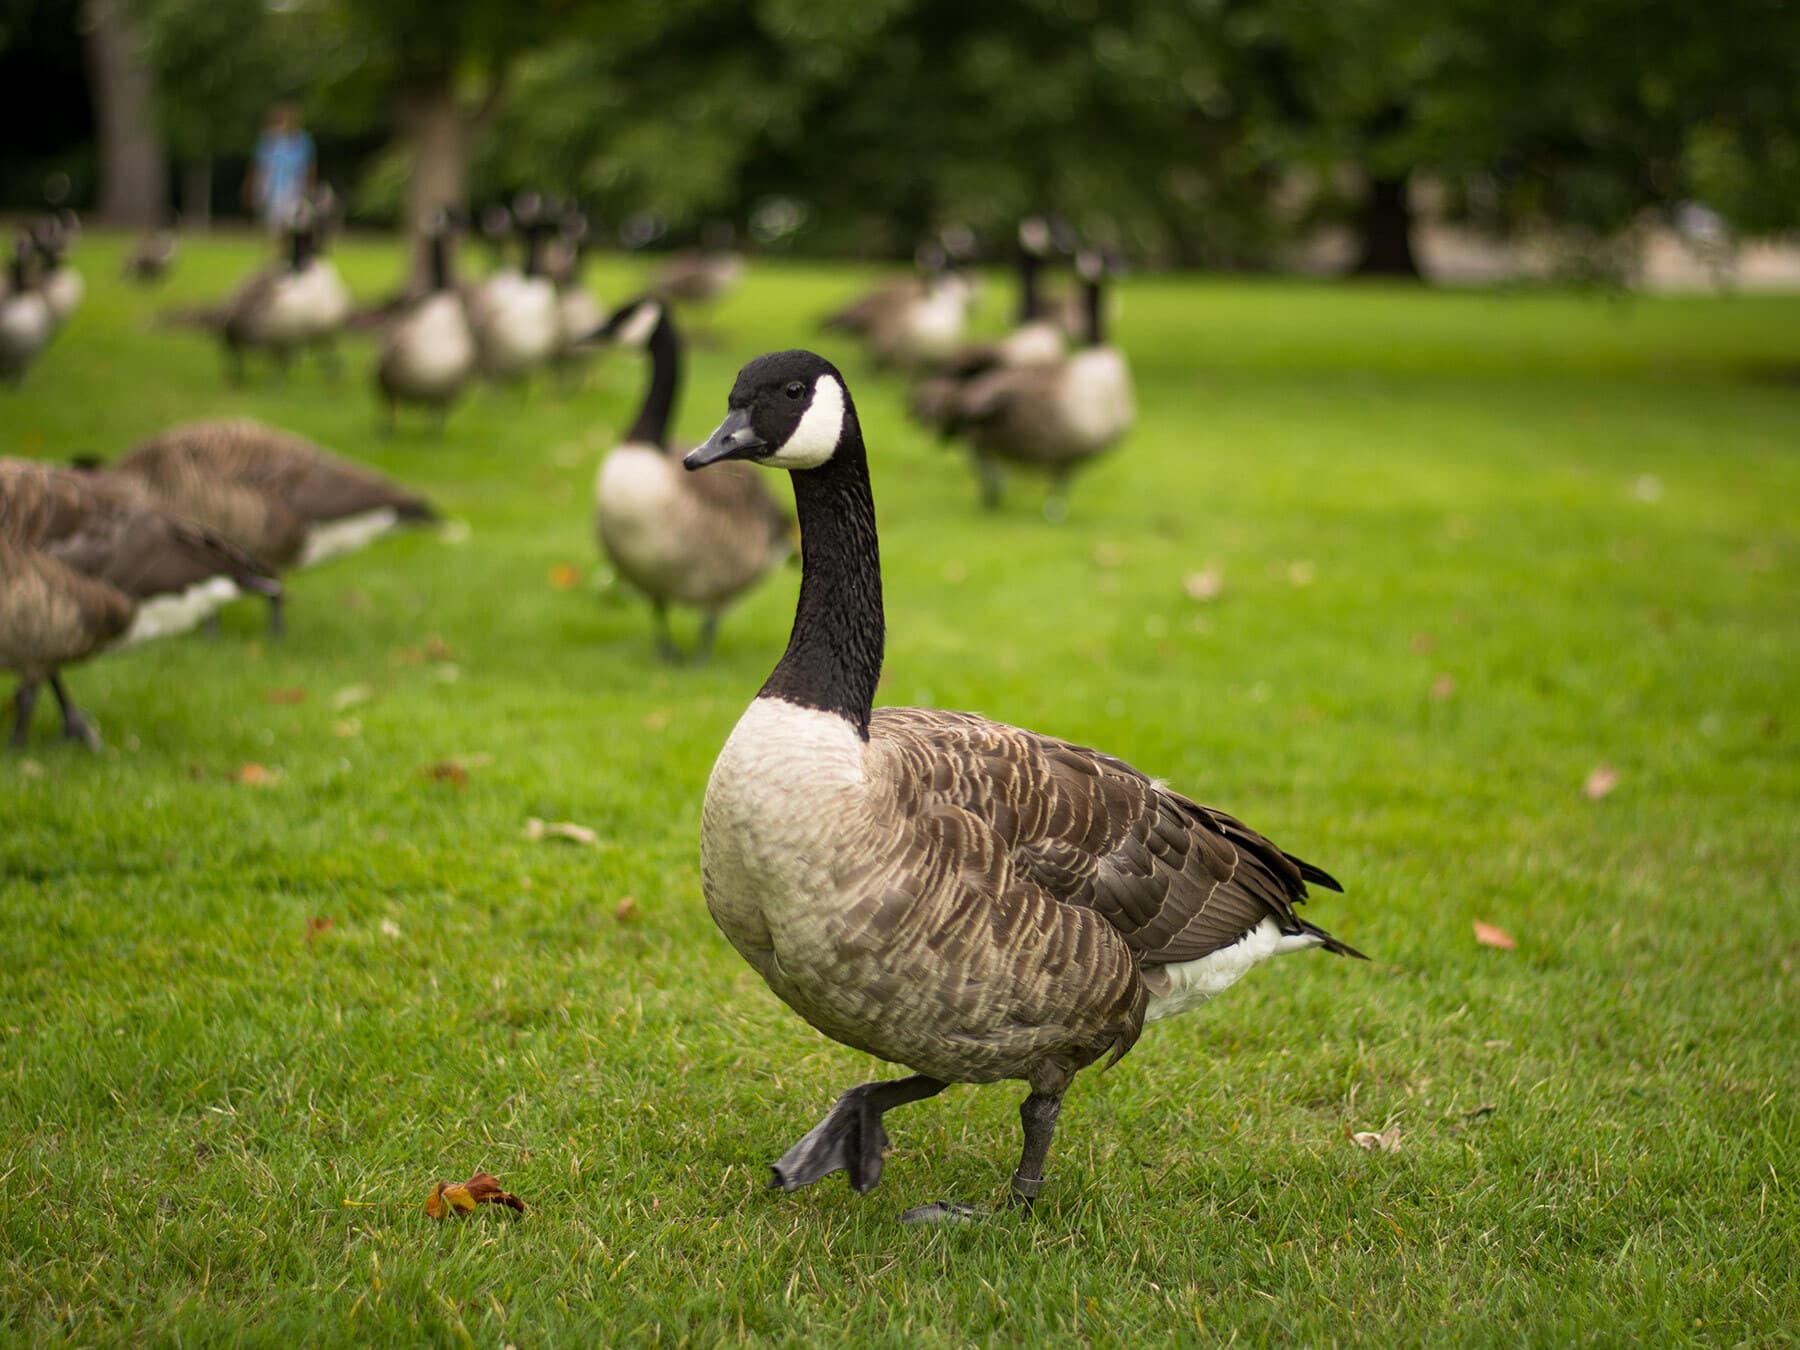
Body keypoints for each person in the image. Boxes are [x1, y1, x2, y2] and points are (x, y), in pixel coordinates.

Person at [244, 104, 315, 230]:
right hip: (271, 189)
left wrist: (309, 188)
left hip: (295, 188)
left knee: (293, 223)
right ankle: (277, 247)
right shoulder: (268, 141)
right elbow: (258, 166)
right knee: (274, 223)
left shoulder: (303, 141)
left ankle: (288, 247)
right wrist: (252, 187)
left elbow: (309, 167)